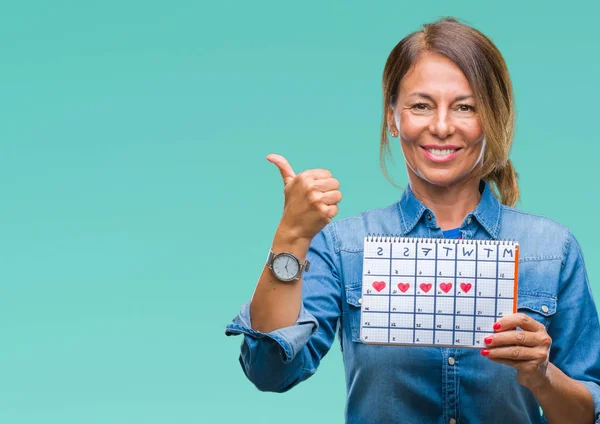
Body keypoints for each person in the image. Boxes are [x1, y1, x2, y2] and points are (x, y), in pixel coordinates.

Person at [225, 16, 600, 424]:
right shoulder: (344, 246)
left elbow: (585, 415)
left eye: (465, 107)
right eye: (421, 106)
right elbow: (269, 371)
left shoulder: (552, 249)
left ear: (492, 117)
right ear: (393, 118)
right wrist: (291, 237)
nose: (441, 126)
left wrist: (542, 376)